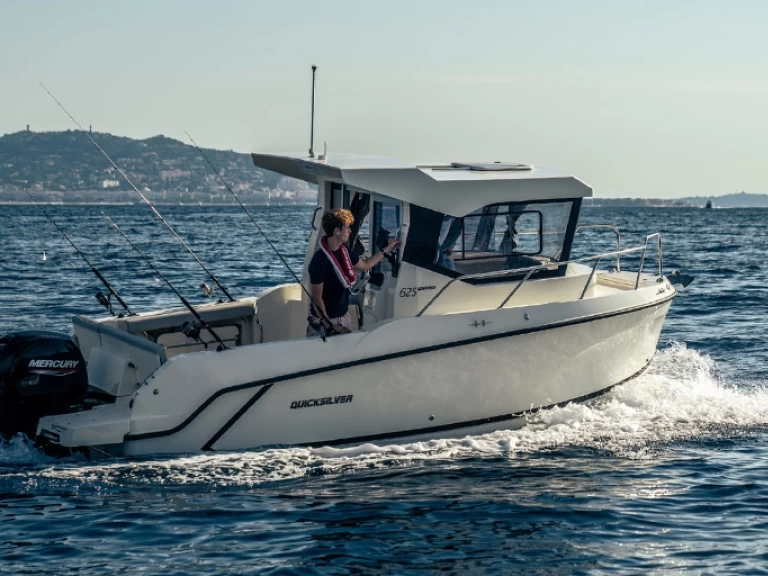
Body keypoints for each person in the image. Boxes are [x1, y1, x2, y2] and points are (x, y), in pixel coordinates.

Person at [307, 208, 399, 336]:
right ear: (337, 231)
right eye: (347, 228)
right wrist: (329, 325)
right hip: (326, 321)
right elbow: (317, 298)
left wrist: (386, 250)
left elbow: (365, 265)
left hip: (343, 317)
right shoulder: (319, 260)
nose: (350, 231)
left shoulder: (345, 251)